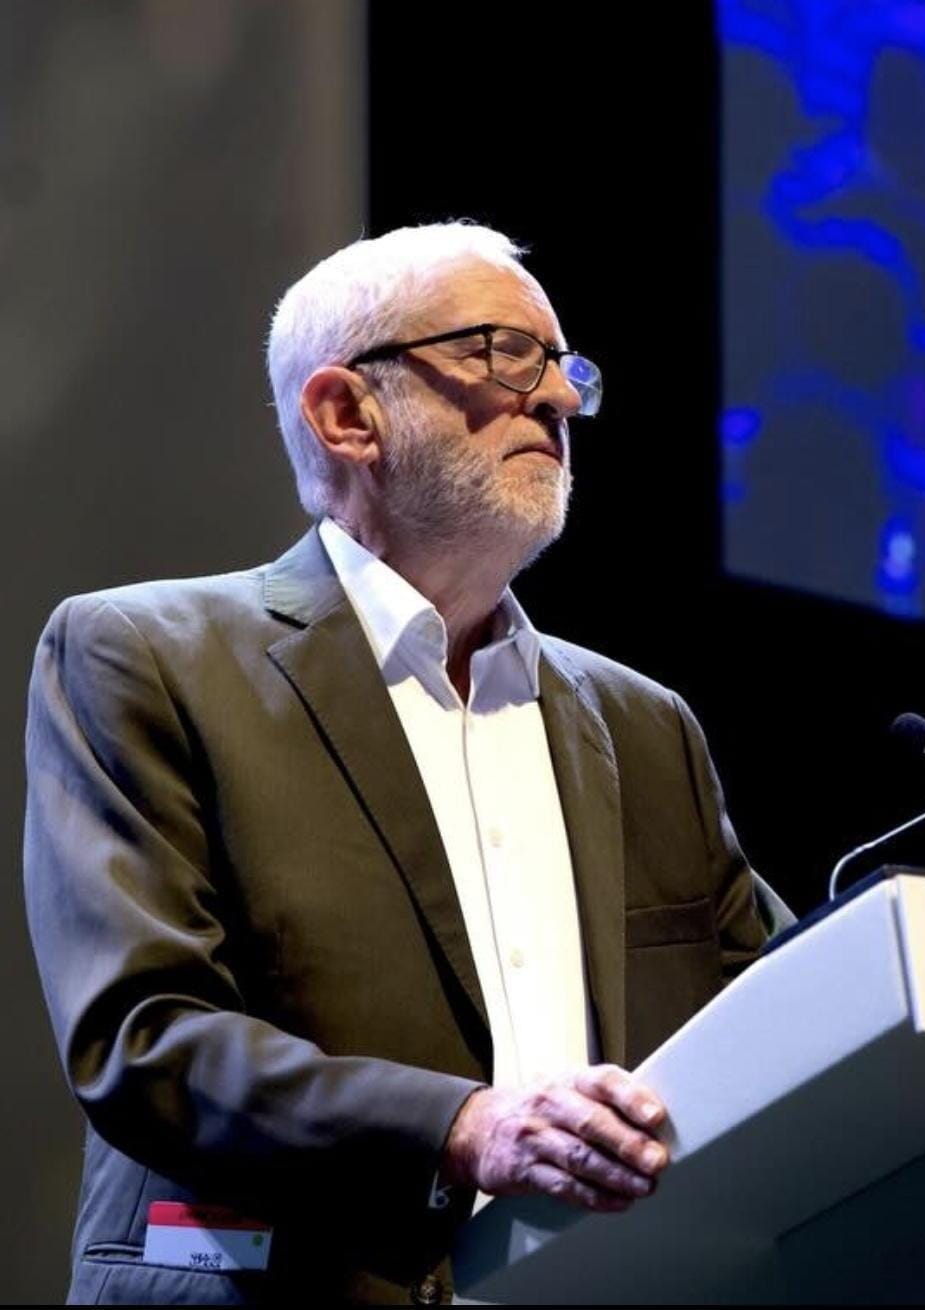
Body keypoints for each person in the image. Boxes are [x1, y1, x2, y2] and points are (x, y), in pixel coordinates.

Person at [22, 223, 792, 1304]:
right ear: (346, 413)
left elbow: (780, 1004)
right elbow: (144, 1040)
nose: (561, 401)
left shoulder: (643, 722)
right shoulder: (147, 657)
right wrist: (460, 1126)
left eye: (565, 367)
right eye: (501, 353)